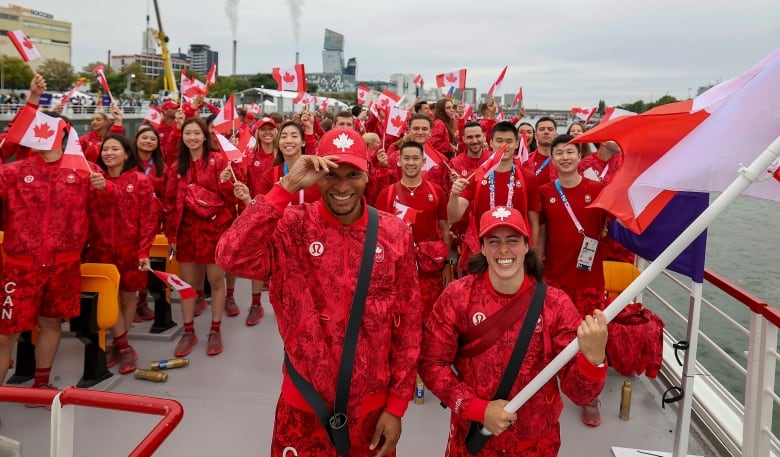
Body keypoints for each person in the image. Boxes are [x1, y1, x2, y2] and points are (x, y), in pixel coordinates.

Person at [216, 128, 422, 457]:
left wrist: (397, 406)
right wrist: (286, 187)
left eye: (353, 174)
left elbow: (409, 324)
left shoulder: (394, 233)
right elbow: (230, 256)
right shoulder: (290, 226)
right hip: (303, 406)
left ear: (368, 175)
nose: (342, 186)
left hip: (371, 412)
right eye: (331, 175)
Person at [418, 206, 608, 456]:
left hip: (536, 445)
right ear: (483, 248)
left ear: (527, 245)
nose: (504, 249)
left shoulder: (556, 305)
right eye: (494, 241)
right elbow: (431, 363)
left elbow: (580, 394)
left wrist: (593, 361)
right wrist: (477, 409)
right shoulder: (457, 297)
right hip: (473, 441)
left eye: (513, 240)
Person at [0, 74, 110, 397]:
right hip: (20, 267)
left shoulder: (83, 171)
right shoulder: (13, 172)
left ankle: (41, 385)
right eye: (38, 130)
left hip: (64, 265)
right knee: (5, 333)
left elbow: (113, 201)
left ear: (64, 136)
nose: (43, 135)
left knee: (51, 325)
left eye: (51, 131)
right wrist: (32, 101)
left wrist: (106, 188)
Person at [538, 134, 608, 426]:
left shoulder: (599, 190)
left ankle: (589, 396)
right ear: (552, 158)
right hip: (555, 277)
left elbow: (611, 228)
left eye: (570, 152)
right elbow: (541, 235)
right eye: (559, 153)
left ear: (581, 157)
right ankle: (546, 385)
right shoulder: (544, 192)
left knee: (590, 334)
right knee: (550, 336)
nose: (565, 157)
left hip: (589, 278)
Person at [164, 117, 236, 357]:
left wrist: (221, 224)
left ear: (205, 136)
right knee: (188, 286)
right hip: (186, 233)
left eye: (196, 133)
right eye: (188, 133)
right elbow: (170, 202)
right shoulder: (177, 167)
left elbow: (229, 201)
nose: (192, 137)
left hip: (213, 231)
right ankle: (188, 331)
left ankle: (215, 330)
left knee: (216, 281)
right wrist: (170, 234)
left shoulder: (217, 162)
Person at [88, 134, 157, 374]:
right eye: (105, 149)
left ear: (127, 154)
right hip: (100, 251)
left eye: (114, 149)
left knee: (128, 298)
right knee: (110, 299)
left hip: (131, 251)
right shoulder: (94, 180)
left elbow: (149, 218)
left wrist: (143, 251)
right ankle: (124, 345)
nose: (108, 153)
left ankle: (119, 343)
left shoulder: (139, 180)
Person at [448, 121, 541, 272]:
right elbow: (453, 216)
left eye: (509, 141)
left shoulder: (528, 178)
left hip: (514, 252)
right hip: (482, 250)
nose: (504, 145)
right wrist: (454, 194)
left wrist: (532, 252)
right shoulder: (477, 176)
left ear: (517, 143)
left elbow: (533, 221)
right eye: (499, 141)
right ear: (490, 143)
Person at [375, 141, 453, 319]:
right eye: (407, 158)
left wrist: (447, 265)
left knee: (430, 316)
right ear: (399, 161)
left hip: (429, 267)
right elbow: (379, 237)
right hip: (398, 268)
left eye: (416, 158)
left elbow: (444, 229)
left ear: (423, 161)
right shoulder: (386, 194)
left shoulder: (436, 191)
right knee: (401, 316)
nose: (411, 162)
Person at [132, 125, 172, 321]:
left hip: (152, 220)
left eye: (152, 139)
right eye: (144, 137)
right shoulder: (127, 162)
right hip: (128, 220)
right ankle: (130, 302)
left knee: (146, 258)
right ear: (136, 140)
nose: (148, 141)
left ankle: (142, 301)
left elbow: (166, 195)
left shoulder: (161, 167)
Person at [522, 117, 557, 185]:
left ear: (556, 135)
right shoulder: (525, 160)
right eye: (542, 129)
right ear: (535, 136)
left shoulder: (564, 160)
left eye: (550, 129)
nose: (546, 132)